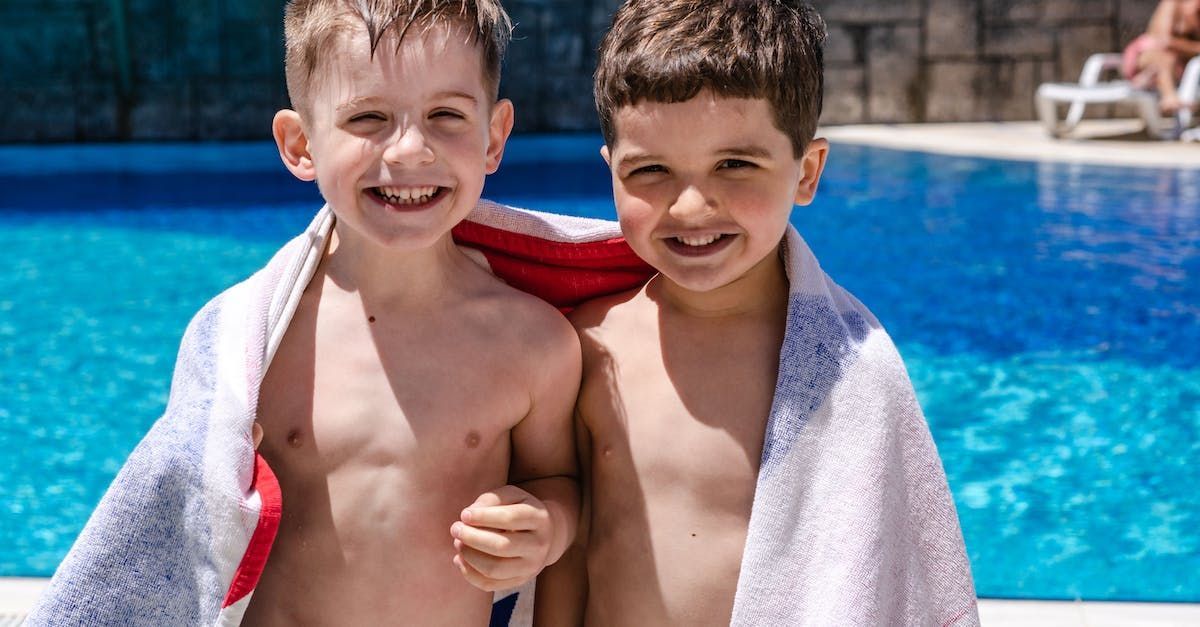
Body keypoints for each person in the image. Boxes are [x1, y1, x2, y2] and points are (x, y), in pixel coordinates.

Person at [27, 1, 580, 625]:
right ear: (300, 144)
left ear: (495, 137)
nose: (410, 149)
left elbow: (560, 479)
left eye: (446, 115)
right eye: (368, 116)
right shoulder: (254, 344)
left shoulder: (533, 344)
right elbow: (182, 517)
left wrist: (548, 526)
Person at [535, 1, 980, 625]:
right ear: (612, 173)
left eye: (735, 164)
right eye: (652, 170)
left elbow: (875, 569)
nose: (691, 206)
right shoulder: (587, 345)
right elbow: (573, 550)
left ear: (808, 172)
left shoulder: (849, 373)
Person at [1123, 0, 1200, 113]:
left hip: (1178, 68)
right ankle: (1168, 96)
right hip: (1147, 56)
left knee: (1172, 62)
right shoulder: (1172, 4)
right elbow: (1165, 41)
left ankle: (1148, 79)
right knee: (1164, 58)